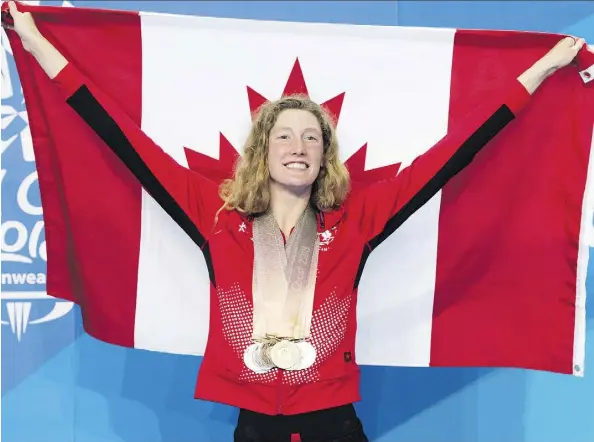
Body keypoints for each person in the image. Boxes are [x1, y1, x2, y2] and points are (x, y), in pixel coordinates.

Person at [3, 1, 587, 441]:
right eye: (284, 134)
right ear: (263, 151)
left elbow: (453, 153)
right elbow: (116, 133)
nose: (298, 145)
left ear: (324, 154)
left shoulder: (358, 216)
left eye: (312, 136)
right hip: (253, 423)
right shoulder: (215, 212)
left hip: (333, 419)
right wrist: (33, 41)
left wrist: (537, 73)